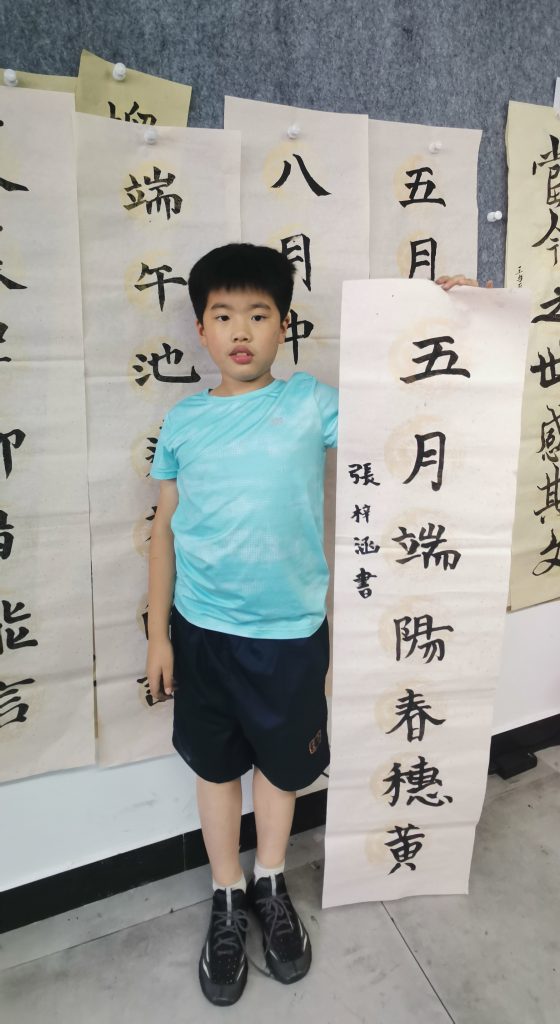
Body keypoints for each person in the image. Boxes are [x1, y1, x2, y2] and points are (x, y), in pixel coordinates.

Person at [146, 242, 488, 1007]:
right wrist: (159, 635)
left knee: (281, 769)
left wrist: (440, 317)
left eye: (258, 314)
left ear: (285, 326)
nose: (241, 330)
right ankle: (227, 895)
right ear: (201, 329)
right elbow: (163, 528)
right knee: (215, 769)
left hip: (291, 636)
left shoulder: (311, 403)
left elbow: (400, 409)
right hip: (202, 635)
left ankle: (270, 881)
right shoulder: (184, 422)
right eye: (223, 316)